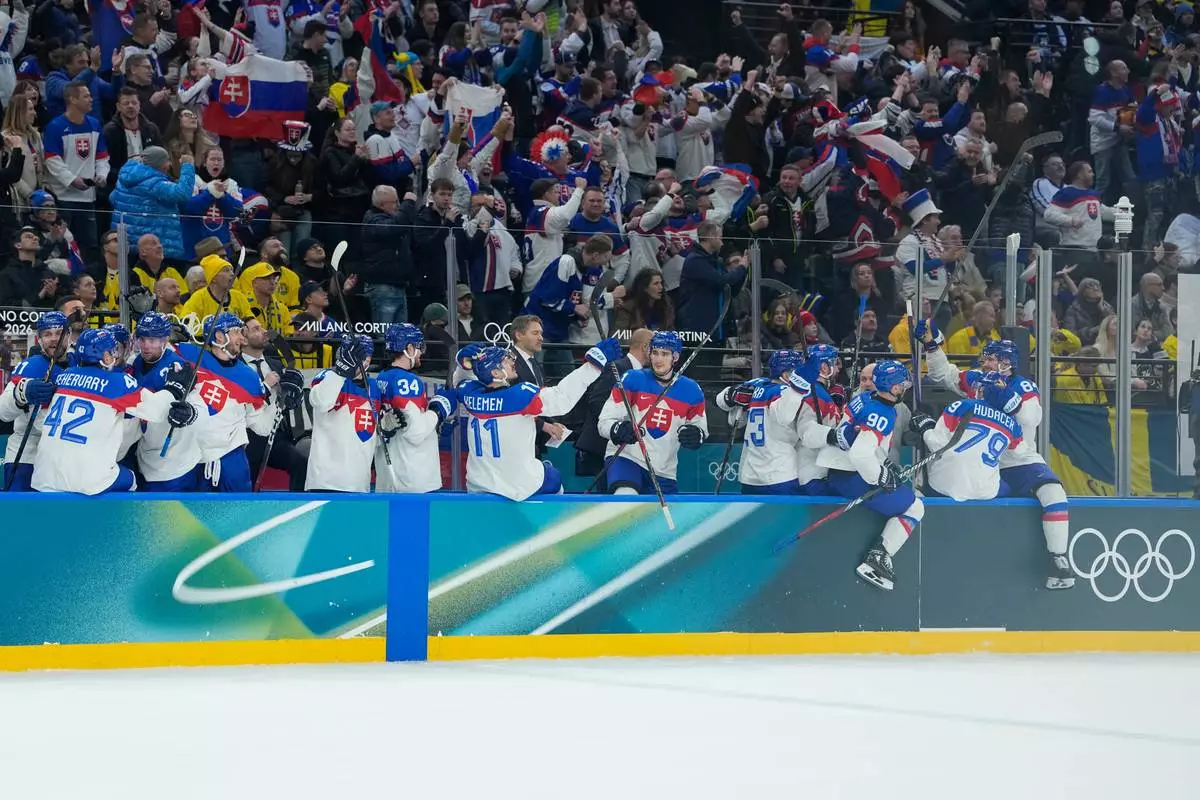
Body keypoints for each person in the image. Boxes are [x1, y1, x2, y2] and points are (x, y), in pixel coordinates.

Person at [917, 324, 1074, 589]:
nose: (984, 362)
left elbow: (1033, 417)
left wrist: (1008, 399)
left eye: (990, 358)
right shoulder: (978, 379)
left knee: (1053, 493)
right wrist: (931, 345)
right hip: (980, 462)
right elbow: (943, 374)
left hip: (1017, 459)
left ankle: (1057, 558)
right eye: (985, 358)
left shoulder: (1023, 385)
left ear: (1006, 363)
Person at [31, 327, 197, 495]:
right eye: (112, 351)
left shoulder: (63, 376)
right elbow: (157, 411)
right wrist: (175, 387)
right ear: (105, 356)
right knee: (131, 479)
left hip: (43, 476)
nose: (114, 355)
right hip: (86, 481)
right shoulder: (116, 382)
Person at [459, 336, 622, 500]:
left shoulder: (469, 393)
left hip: (478, 485)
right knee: (553, 477)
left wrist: (463, 363)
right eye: (506, 360)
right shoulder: (520, 396)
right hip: (516, 487)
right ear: (495, 372)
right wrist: (593, 365)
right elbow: (561, 398)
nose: (512, 361)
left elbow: (460, 380)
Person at [817, 360, 922, 591]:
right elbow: (861, 454)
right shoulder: (883, 411)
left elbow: (862, 443)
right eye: (902, 384)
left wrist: (884, 464)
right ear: (894, 388)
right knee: (916, 507)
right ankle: (877, 559)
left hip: (836, 471)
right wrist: (880, 475)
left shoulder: (863, 399)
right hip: (852, 476)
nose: (905, 387)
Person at [598, 330, 708, 495]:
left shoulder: (692, 390)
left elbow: (700, 428)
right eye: (655, 353)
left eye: (664, 354)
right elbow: (603, 422)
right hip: (626, 458)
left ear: (675, 357)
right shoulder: (632, 379)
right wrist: (617, 429)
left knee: (659, 519)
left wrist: (696, 434)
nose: (658, 359)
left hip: (664, 470)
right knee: (625, 497)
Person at [178, 312, 275, 492]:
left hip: (232, 461)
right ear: (219, 336)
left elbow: (262, 427)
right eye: (237, 332)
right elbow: (153, 349)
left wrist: (279, 404)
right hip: (191, 459)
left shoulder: (248, 377)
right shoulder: (190, 357)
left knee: (238, 515)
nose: (242, 338)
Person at [129, 312, 208, 491]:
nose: (146, 345)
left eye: (153, 340)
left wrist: (189, 413)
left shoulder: (179, 368)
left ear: (165, 340)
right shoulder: (134, 362)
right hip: (146, 456)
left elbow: (199, 405)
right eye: (142, 339)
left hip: (177, 461)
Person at [715, 349, 811, 494]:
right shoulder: (788, 392)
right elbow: (784, 415)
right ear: (786, 375)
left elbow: (720, 400)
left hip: (750, 475)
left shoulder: (757, 385)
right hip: (780, 475)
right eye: (799, 372)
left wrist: (731, 395)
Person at [376, 323, 457, 494]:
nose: (421, 352)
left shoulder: (382, 377)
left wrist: (436, 426)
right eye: (419, 347)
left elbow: (400, 422)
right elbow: (415, 431)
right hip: (412, 477)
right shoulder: (407, 381)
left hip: (389, 474)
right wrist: (440, 408)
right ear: (409, 348)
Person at [910, 379, 1024, 501]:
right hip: (986, 490)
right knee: (1006, 486)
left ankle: (919, 497)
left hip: (945, 485)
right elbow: (1018, 452)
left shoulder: (963, 405)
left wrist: (926, 428)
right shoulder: (1014, 427)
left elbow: (937, 445)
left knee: (928, 473)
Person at [524, 235, 617, 378]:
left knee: (567, 374)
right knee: (534, 374)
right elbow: (548, 298)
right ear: (595, 255)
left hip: (558, 329)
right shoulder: (566, 262)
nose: (606, 263)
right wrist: (574, 309)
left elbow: (568, 301)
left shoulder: (584, 270)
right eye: (605, 258)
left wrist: (575, 318)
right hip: (539, 326)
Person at [0, 311, 69, 491]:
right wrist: (22, 393)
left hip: (63, 457)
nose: (54, 339)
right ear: (39, 339)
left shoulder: (79, 365)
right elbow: (3, 412)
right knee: (20, 515)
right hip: (27, 456)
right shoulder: (30, 366)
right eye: (47, 334)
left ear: (68, 336)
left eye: (59, 333)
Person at [305, 335, 384, 493]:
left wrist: (387, 426)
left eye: (365, 356)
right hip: (325, 482)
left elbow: (372, 438)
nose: (363, 361)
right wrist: (341, 372)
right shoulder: (328, 376)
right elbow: (320, 401)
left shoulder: (374, 387)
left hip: (360, 483)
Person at [43, 81, 108, 261]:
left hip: (88, 198)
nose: (91, 99)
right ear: (72, 99)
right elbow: (52, 160)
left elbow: (102, 157)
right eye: (86, 96)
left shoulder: (95, 124)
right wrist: (73, 180)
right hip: (63, 198)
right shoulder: (55, 126)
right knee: (65, 246)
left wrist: (102, 175)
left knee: (90, 247)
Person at [241, 317, 307, 492]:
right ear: (243, 338)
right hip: (247, 437)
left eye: (261, 327)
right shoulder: (236, 366)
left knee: (301, 463)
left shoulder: (276, 364)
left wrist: (293, 395)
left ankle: (295, 509)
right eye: (255, 329)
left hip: (276, 435)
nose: (263, 331)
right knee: (248, 483)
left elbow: (287, 399)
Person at [108, 146, 195, 261]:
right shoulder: (155, 183)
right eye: (167, 161)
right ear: (161, 164)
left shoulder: (125, 178)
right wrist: (187, 166)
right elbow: (182, 193)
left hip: (127, 243)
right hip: (153, 246)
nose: (169, 164)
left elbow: (112, 198)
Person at [362, 185, 419, 325]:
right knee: (385, 337)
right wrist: (409, 204)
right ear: (382, 205)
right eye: (395, 202)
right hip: (383, 286)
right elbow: (393, 227)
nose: (398, 206)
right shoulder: (373, 219)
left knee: (400, 339)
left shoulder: (394, 219)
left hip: (399, 285)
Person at [179, 253, 254, 320]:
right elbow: (186, 325)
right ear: (213, 278)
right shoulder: (198, 298)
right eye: (226, 270)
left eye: (231, 270)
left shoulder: (238, 296)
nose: (232, 274)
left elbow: (250, 320)